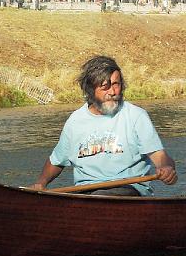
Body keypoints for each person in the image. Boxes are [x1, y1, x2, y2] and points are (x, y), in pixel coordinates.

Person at [31, 56, 178, 196]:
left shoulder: (136, 116)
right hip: (84, 193)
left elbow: (160, 156)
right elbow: (57, 161)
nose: (113, 92)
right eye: (105, 87)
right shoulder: (75, 121)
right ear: (90, 90)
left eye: (116, 85)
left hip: (128, 190)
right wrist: (41, 183)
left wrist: (166, 168)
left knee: (96, 199)